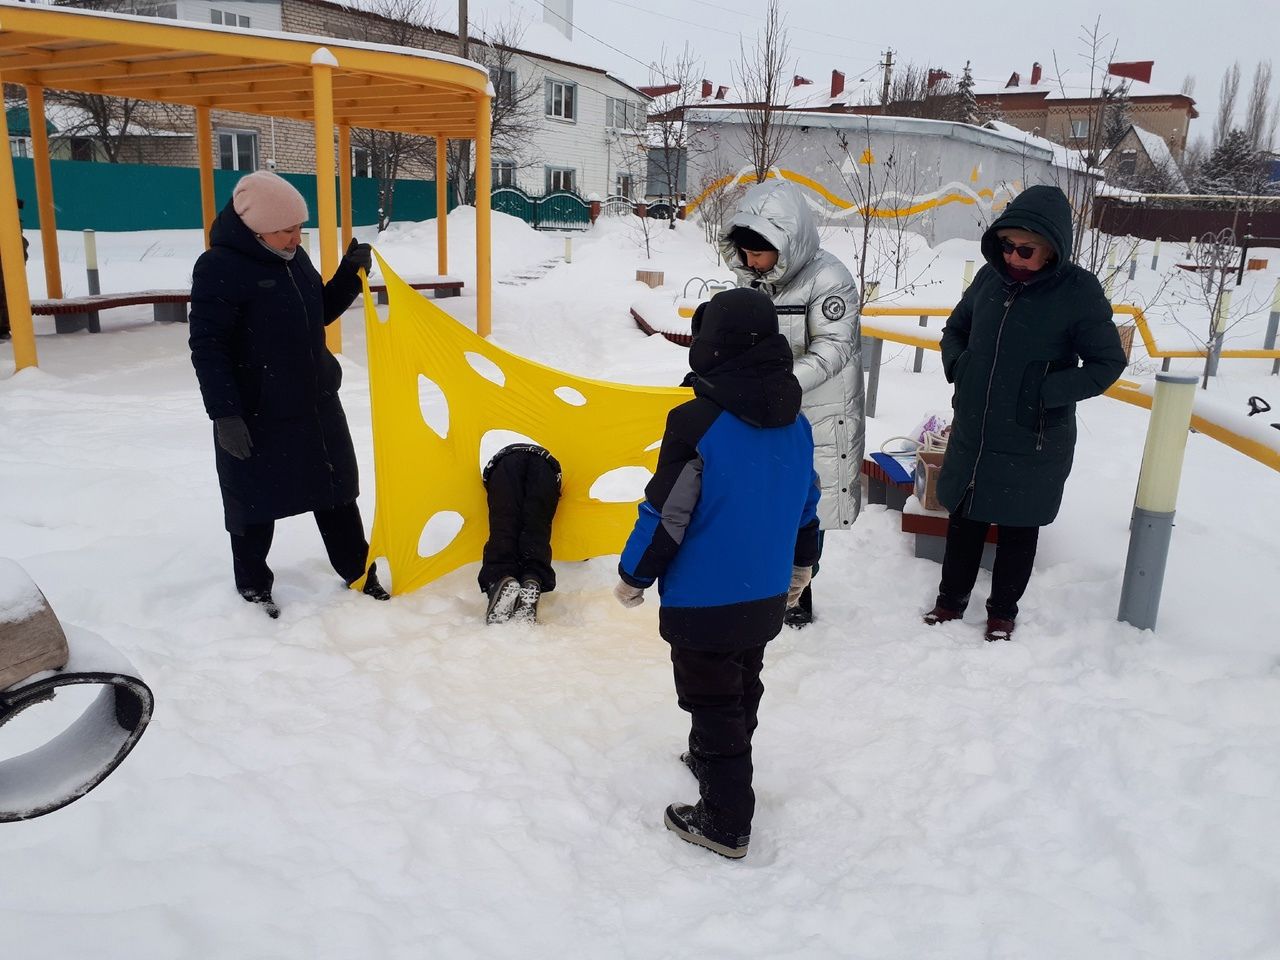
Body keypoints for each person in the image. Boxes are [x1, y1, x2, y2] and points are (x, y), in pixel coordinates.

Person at [615, 287, 821, 860]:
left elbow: (667, 510)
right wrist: (804, 565)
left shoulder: (696, 421)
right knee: (741, 684)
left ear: (713, 346)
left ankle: (726, 820)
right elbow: (807, 502)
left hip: (704, 600)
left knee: (711, 701)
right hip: (765, 594)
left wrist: (635, 572)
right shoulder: (795, 423)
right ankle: (713, 757)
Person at [925, 184, 1126, 642]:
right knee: (965, 519)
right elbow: (955, 330)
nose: (1013, 257)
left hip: (1033, 434)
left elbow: (1107, 363)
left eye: (1025, 249)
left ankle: (1001, 613)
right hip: (976, 428)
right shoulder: (989, 281)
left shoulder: (1079, 292)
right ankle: (949, 601)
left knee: (1018, 528)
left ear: (1052, 249)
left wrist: (1044, 391)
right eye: (1006, 246)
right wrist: (961, 365)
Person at [189, 171, 387, 618]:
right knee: (254, 503)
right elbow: (208, 346)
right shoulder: (220, 266)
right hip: (257, 410)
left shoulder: (293, 258)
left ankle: (358, 570)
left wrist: (349, 275)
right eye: (286, 230)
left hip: (314, 400)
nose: (296, 237)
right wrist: (225, 414)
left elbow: (316, 311)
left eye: (300, 228)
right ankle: (254, 588)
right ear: (255, 229)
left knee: (337, 492)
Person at [719, 179, 862, 627]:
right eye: (744, 254)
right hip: (767, 411)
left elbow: (835, 348)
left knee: (807, 505)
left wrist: (781, 384)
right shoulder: (751, 280)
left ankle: (800, 593)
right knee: (770, 500)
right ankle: (768, 586)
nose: (750, 262)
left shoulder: (829, 278)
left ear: (786, 242)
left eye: (759, 253)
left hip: (817, 409)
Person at [479, 443, 562, 624]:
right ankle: (532, 578)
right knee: (537, 529)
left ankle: (501, 578)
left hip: (504, 464)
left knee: (504, 525)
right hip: (547, 469)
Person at [0, 198, 31, 342]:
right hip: (9, 259)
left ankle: (3, 328)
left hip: (9, 258)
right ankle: (4, 327)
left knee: (5, 291)